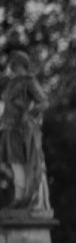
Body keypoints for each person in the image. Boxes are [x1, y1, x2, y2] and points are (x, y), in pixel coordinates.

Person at [0, 50, 50, 210]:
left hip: (24, 129)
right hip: (9, 128)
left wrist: (29, 115)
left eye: (13, 62)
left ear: (20, 63)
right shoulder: (10, 84)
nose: (10, 66)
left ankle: (30, 197)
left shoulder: (29, 81)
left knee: (26, 161)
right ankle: (19, 197)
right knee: (14, 162)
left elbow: (43, 102)